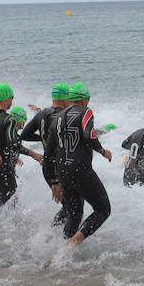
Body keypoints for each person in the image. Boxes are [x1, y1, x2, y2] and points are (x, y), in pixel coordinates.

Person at [44, 82, 113, 243]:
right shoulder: (86, 112)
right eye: (88, 99)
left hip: (62, 170)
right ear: (83, 100)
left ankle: (62, 251)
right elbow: (89, 135)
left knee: (74, 214)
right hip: (80, 168)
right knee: (103, 210)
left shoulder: (59, 117)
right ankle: (72, 244)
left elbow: (48, 153)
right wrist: (103, 151)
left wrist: (54, 181)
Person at [20, 82, 71, 223]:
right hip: (59, 167)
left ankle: (56, 237)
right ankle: (56, 237)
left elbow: (24, 135)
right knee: (71, 207)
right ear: (64, 98)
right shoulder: (65, 115)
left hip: (47, 168)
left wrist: (45, 138)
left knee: (68, 206)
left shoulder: (41, 114)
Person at [0, 84, 43, 205]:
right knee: (10, 200)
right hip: (2, 167)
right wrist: (33, 154)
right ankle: (9, 224)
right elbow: (13, 144)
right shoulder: (10, 119)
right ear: (7, 98)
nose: (12, 101)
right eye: (12, 98)